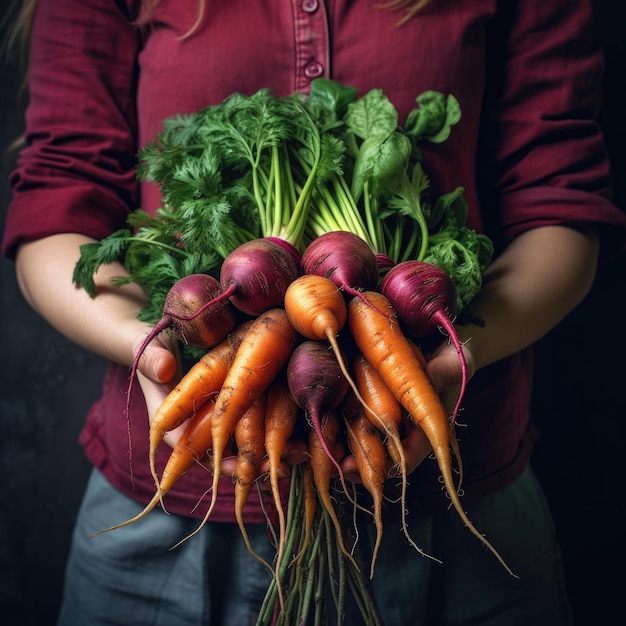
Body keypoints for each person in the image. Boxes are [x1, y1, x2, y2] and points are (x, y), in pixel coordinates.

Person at [3, 0, 626, 624]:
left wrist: (451, 355)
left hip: (461, 513)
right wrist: (152, 350)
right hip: (165, 523)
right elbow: (56, 206)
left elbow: (560, 207)